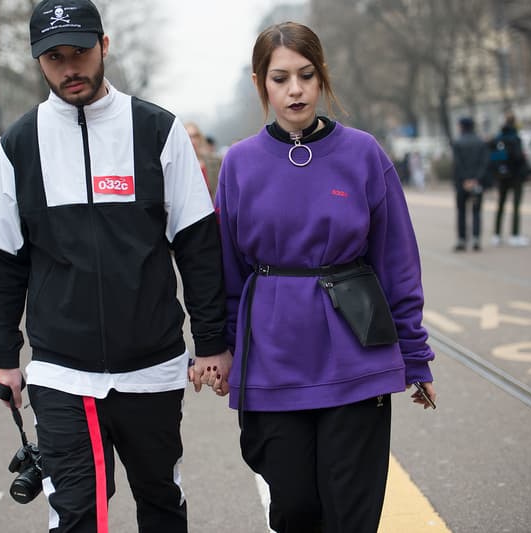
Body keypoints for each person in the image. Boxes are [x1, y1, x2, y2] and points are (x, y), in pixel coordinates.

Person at [0, 1, 232, 531]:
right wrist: (5, 352)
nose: (70, 67)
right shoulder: (18, 146)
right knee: (75, 514)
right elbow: (0, 257)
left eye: (80, 52)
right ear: (38, 63)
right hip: (62, 372)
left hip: (152, 369)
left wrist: (211, 340)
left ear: (105, 45)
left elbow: (199, 245)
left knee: (161, 503)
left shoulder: (157, 131)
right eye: (54, 58)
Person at [212, 22, 437, 533]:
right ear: (261, 84)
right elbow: (226, 268)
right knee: (293, 508)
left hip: (357, 351)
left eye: (306, 75)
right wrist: (222, 346)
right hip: (272, 358)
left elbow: (397, 261)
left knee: (352, 514)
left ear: (322, 79)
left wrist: (415, 355)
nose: (295, 89)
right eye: (280, 78)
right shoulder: (240, 164)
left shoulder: (363, 153)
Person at [490, 112, 530, 247]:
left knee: (500, 205)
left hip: (502, 177)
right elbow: (519, 157)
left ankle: (496, 235)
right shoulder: (515, 138)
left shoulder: (498, 138)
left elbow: (492, 157)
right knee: (516, 206)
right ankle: (515, 235)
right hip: (516, 176)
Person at [452, 116, 490, 251]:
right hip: (477, 183)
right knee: (476, 211)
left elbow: (458, 164)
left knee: (461, 212)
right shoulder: (480, 142)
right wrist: (476, 179)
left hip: (462, 183)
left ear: (462, 126)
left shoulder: (458, 143)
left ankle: (462, 239)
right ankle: (476, 238)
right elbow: (484, 163)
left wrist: (465, 180)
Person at [185, 121, 222, 199]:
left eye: (195, 136)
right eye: (188, 136)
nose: (193, 141)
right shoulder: (179, 166)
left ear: (200, 137)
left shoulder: (215, 161)